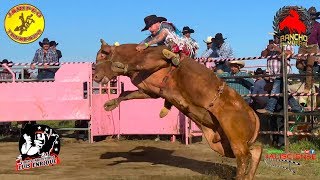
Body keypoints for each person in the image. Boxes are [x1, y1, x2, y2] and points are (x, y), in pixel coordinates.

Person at [257, 36, 303, 114]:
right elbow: (263, 55)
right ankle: (297, 107)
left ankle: (269, 108)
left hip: (282, 72)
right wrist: (267, 49)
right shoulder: (270, 45)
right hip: (272, 74)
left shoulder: (286, 44)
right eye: (275, 37)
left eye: (278, 37)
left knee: (275, 89)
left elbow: (289, 53)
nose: (276, 39)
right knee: (284, 91)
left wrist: (278, 49)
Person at [296, 6, 320, 93]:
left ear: (315, 16)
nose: (312, 16)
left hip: (312, 46)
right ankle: (310, 69)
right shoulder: (303, 24)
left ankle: (307, 87)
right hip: (303, 45)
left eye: (314, 15)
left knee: (309, 67)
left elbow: (319, 38)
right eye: (311, 14)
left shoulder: (318, 25)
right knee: (299, 64)